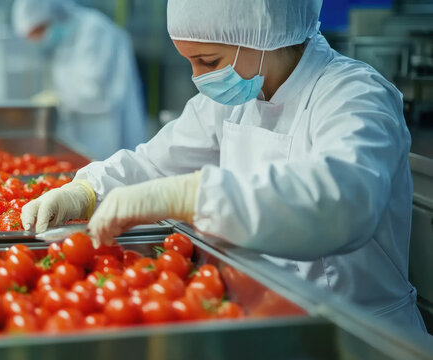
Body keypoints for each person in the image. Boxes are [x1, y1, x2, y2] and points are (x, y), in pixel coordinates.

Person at [21, 0, 428, 332]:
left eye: (209, 61)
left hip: (363, 334)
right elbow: (157, 162)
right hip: (272, 319)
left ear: (264, 35)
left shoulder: (355, 96)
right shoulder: (232, 99)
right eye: (191, 63)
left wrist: (192, 195)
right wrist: (88, 190)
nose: (199, 80)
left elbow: (340, 203)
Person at [12, 0, 147, 160]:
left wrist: (58, 100)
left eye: (39, 31)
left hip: (106, 124)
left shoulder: (95, 30)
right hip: (82, 126)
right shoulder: (64, 38)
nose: (40, 39)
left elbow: (93, 91)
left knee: (113, 169)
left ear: (53, 16)